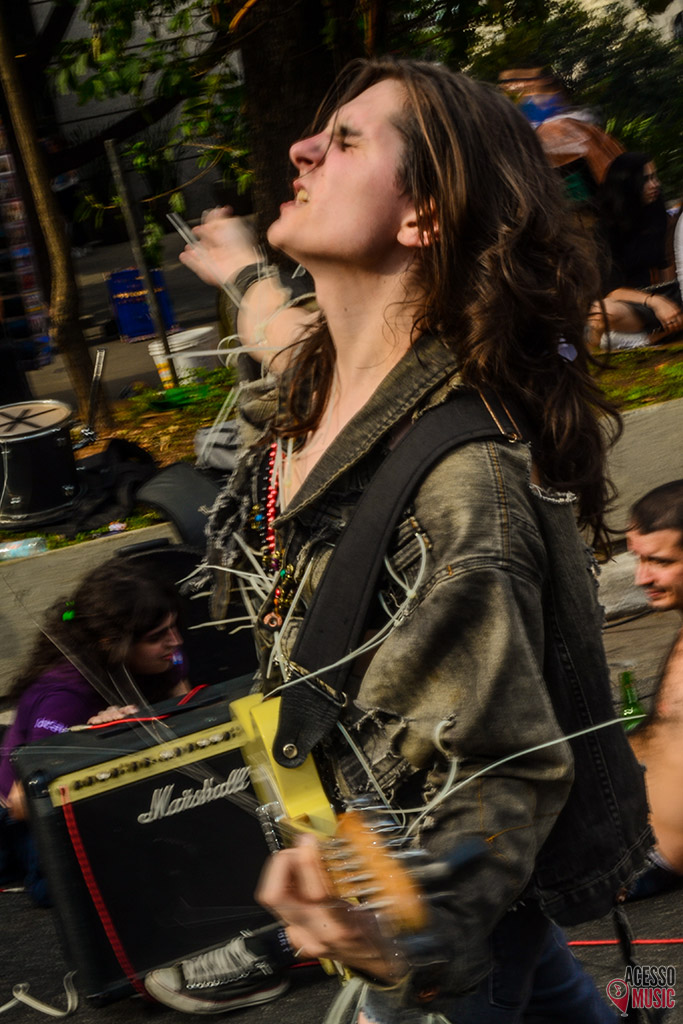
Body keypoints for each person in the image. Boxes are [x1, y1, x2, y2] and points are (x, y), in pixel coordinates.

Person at [146, 58, 650, 1022]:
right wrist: (240, 265)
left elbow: (501, 776)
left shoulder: (461, 490)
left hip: (430, 907)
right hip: (373, 841)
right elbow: (276, 328)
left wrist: (399, 931)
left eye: (344, 140)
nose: (302, 147)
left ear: (421, 217)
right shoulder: (316, 385)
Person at [0, 557, 189, 905]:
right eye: (157, 636)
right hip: (22, 816)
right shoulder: (64, 698)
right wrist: (94, 739)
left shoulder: (163, 656)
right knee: (79, 884)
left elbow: (185, 712)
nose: (174, 642)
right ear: (110, 643)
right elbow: (23, 804)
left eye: (174, 627)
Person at [626, 480, 683, 900]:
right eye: (638, 559)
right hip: (637, 848)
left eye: (659, 561)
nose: (640, 577)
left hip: (653, 865)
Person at [588, 151, 683, 348]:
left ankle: (648, 338)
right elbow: (611, 291)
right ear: (627, 184)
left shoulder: (660, 217)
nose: (655, 184)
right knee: (600, 313)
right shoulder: (604, 230)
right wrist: (655, 302)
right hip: (635, 305)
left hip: (672, 298)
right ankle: (647, 339)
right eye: (647, 179)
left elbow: (668, 268)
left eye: (655, 177)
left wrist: (670, 302)